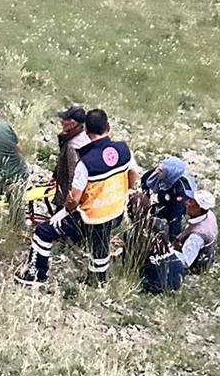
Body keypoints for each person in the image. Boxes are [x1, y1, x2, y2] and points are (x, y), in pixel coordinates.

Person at [15, 108, 137, 287]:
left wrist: (65, 212)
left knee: (43, 232)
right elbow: (134, 173)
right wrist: (123, 191)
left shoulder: (86, 162)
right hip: (115, 211)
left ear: (86, 130)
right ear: (108, 127)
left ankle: (35, 275)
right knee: (100, 242)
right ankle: (97, 281)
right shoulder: (123, 150)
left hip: (90, 217)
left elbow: (74, 198)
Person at [142, 190, 219, 293]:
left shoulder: (197, 236)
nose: (186, 202)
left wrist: (167, 249)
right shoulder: (209, 215)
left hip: (193, 268)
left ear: (198, 208)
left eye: (191, 201)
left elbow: (186, 261)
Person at [135, 157, 196, 237]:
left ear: (169, 174)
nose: (157, 171)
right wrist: (147, 199)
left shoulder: (180, 189)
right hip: (165, 196)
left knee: (173, 223)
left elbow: (176, 214)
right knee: (147, 212)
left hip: (177, 204)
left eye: (161, 171)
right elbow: (144, 181)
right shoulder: (157, 173)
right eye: (158, 167)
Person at [50, 105, 90, 212]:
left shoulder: (72, 145)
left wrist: (70, 200)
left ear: (73, 124)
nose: (61, 122)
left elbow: (74, 174)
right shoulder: (84, 137)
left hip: (70, 197)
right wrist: (55, 175)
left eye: (65, 120)